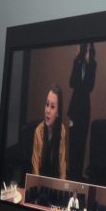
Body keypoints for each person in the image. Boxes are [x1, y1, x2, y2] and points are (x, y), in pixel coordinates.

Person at [67, 42, 96, 180]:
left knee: (81, 143)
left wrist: (89, 64)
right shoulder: (77, 62)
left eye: (80, 46)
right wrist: (79, 63)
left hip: (84, 110)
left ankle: (78, 175)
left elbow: (89, 87)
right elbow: (72, 83)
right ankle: (72, 174)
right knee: (73, 143)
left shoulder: (93, 65)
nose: (78, 48)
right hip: (74, 110)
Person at [31, 84, 68, 180]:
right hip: (40, 185)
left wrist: (62, 188)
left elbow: (62, 167)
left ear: (58, 112)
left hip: (55, 185)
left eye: (52, 107)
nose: (47, 110)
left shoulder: (62, 130)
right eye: (47, 105)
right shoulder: (38, 132)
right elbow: (35, 171)